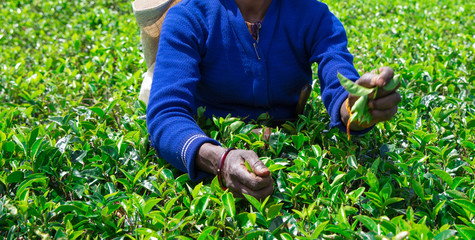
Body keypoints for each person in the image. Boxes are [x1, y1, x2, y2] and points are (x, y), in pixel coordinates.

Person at [146, 0, 401, 199]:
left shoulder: (313, 16)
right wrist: (218, 160)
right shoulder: (189, 17)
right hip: (215, 142)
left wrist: (357, 107)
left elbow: (339, 84)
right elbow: (166, 114)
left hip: (288, 148)